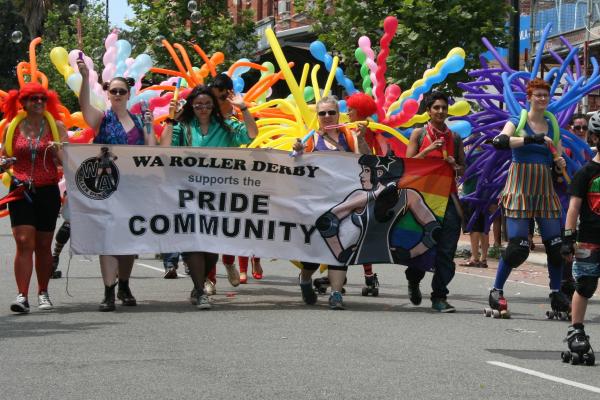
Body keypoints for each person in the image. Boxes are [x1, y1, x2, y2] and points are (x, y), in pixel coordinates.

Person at [160, 84, 257, 309]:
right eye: (198, 105)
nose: (203, 108)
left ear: (213, 107)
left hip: (218, 196)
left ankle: (198, 285)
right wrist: (170, 118)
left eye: (207, 104)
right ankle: (201, 291)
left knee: (211, 246)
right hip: (188, 193)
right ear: (191, 107)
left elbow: (251, 134)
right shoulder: (182, 127)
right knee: (193, 241)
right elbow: (164, 147)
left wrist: (244, 109)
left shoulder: (226, 126)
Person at [77, 58, 156, 311]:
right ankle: (108, 291)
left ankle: (124, 284)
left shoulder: (140, 121)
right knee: (108, 240)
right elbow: (84, 105)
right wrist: (84, 77)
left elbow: (152, 152)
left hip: (134, 189)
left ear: (129, 94)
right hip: (107, 187)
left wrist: (151, 126)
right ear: (108, 94)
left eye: (123, 91)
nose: (119, 95)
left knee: (128, 241)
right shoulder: (101, 119)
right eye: (114, 91)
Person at [488, 78, 570, 315]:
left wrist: (559, 162)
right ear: (529, 97)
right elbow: (499, 142)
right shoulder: (518, 120)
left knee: (556, 247)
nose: (543, 98)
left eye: (546, 95)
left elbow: (558, 155)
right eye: (538, 95)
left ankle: (556, 293)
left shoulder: (552, 125)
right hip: (520, 188)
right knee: (518, 248)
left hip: (544, 189)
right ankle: (496, 290)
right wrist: (530, 139)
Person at [292, 95, 371, 309]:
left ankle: (336, 294)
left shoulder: (350, 136)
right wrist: (298, 152)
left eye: (331, 112)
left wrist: (362, 139)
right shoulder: (310, 139)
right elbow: (296, 166)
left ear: (339, 114)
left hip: (345, 203)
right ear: (317, 117)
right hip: (316, 204)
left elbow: (366, 160)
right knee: (314, 254)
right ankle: (306, 278)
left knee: (340, 247)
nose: (327, 116)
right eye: (322, 113)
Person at [0, 83, 68, 313]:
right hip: (20, 190)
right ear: (23, 102)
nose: (38, 102)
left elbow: (67, 162)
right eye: (32, 99)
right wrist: (3, 164)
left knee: (43, 244)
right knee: (23, 241)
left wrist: (58, 149)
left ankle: (43, 292)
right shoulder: (12, 126)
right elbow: (4, 156)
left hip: (48, 190)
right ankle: (22, 295)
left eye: (42, 99)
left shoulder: (56, 126)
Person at [403, 91, 465, 312]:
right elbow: (408, 164)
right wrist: (428, 150)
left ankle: (439, 296)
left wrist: (453, 165)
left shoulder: (455, 138)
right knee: (420, 247)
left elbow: (462, 168)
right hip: (423, 199)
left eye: (443, 107)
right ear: (428, 111)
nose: (440, 111)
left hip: (447, 199)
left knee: (447, 251)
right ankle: (414, 279)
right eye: (436, 107)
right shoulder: (418, 134)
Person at [560, 112, 600, 363]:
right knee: (585, 285)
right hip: (589, 237)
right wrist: (567, 237)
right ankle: (577, 329)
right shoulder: (586, 172)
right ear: (595, 137)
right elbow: (574, 207)